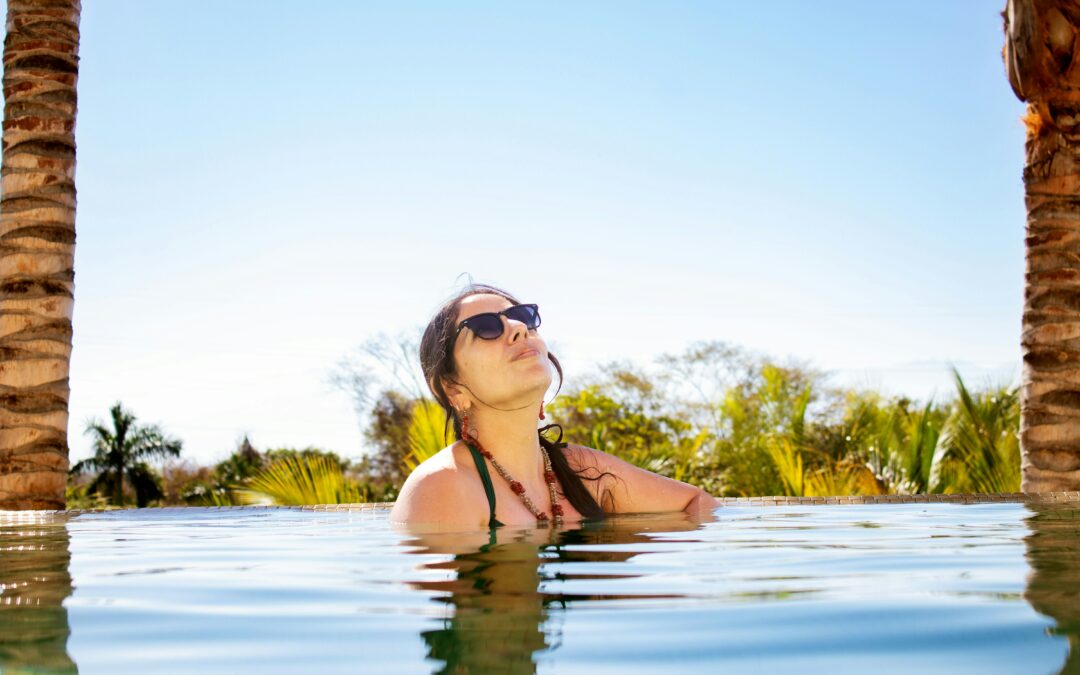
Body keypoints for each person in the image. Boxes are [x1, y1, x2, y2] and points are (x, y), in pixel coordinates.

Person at [390, 283, 719, 527]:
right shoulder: (443, 487)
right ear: (452, 389)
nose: (518, 328)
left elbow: (698, 502)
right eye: (486, 327)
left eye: (523, 316)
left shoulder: (581, 471)